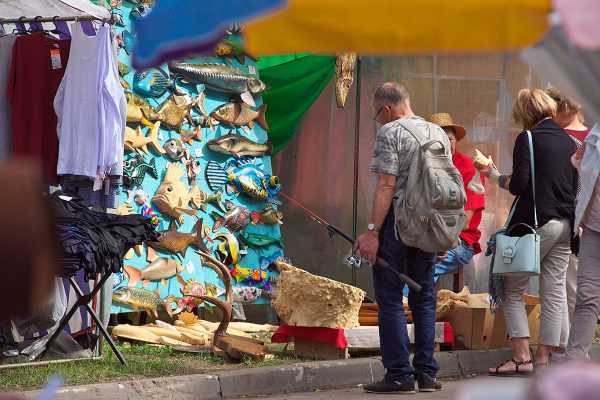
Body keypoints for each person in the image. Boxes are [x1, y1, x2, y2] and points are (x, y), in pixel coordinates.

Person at [355, 82, 450, 393]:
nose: (378, 121)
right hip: (429, 222)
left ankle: (399, 374)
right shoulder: (437, 132)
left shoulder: (390, 132)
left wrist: (372, 232)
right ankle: (426, 374)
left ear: (386, 109)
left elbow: (386, 185)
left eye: (376, 116)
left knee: (391, 297)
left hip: (398, 221)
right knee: (424, 297)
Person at [478, 88, 577, 375]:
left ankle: (522, 356)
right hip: (564, 225)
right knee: (554, 291)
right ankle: (544, 357)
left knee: (511, 288)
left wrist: (496, 177)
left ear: (524, 113)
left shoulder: (528, 139)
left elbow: (520, 185)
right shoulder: (569, 141)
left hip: (536, 225)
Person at [545, 87, 590, 323]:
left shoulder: (559, 139)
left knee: (563, 289)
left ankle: (568, 348)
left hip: (570, 219)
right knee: (579, 290)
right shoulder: (593, 135)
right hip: (587, 219)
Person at [425, 112, 485, 282]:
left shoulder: (469, 169)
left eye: (449, 139)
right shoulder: (422, 166)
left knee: (425, 266)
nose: (445, 144)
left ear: (456, 140)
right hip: (425, 239)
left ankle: (406, 306)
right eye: (439, 139)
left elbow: (465, 223)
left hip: (461, 241)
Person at [565, 124, 600, 361]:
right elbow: (577, 162)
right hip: (594, 227)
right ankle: (574, 361)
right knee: (587, 293)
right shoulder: (596, 133)